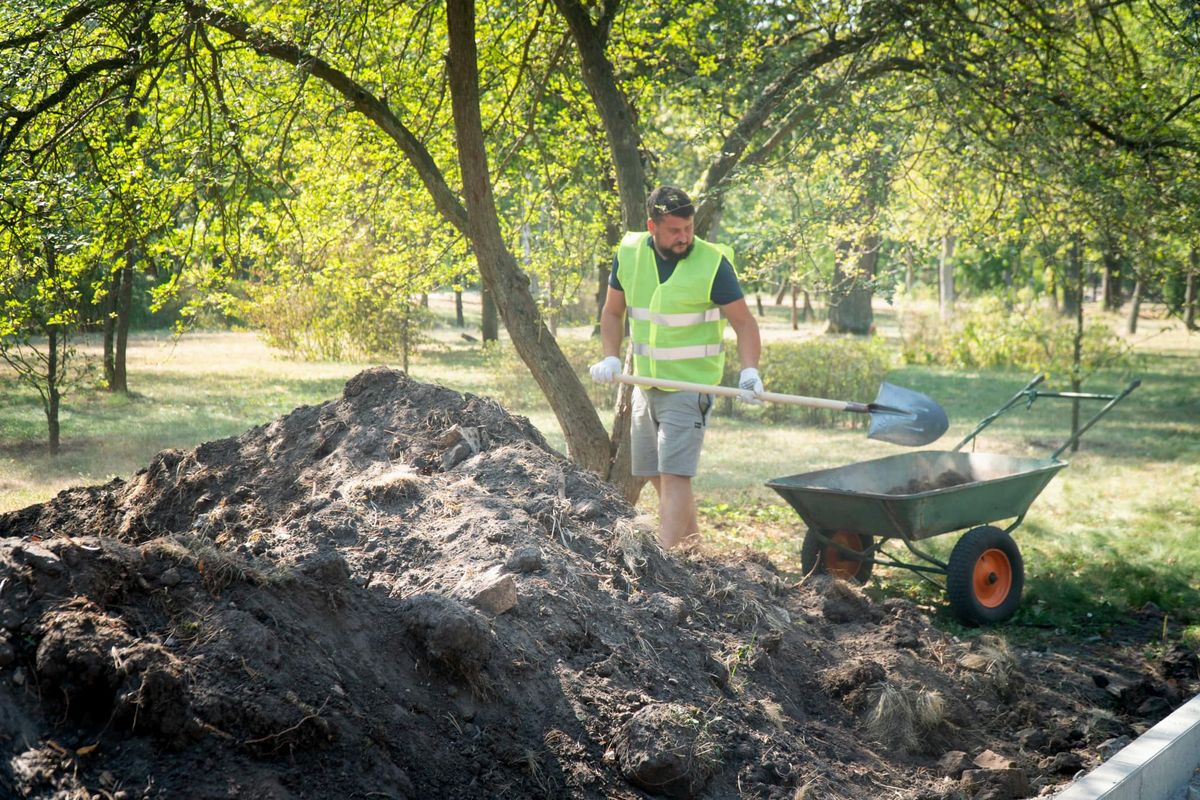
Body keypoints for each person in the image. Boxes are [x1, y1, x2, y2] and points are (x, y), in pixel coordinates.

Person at [589, 186, 762, 548]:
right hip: (645, 383)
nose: (685, 237)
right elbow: (612, 311)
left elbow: (744, 323)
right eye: (675, 230)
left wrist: (750, 371)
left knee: (675, 475)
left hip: (690, 387)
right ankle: (695, 548)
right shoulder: (630, 253)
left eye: (689, 228)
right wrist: (610, 355)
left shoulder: (712, 263)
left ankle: (667, 561)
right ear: (652, 226)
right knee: (654, 472)